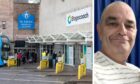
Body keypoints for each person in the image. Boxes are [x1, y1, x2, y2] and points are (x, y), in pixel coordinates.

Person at [94, 1, 140, 84]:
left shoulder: (137, 72)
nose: (122, 31)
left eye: (129, 26)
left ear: (136, 33)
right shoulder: (92, 72)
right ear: (100, 30)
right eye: (113, 24)